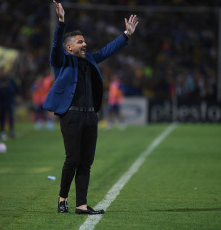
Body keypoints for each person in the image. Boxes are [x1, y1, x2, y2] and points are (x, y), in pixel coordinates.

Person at [43, 0, 138, 215]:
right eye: (79, 42)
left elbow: (107, 50)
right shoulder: (62, 61)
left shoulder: (91, 59)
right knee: (72, 160)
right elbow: (56, 46)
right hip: (72, 117)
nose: (84, 44)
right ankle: (62, 198)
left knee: (86, 162)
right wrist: (61, 22)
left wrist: (126, 35)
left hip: (90, 118)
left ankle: (81, 205)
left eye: (84, 41)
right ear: (69, 47)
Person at [0, 67, 19, 140]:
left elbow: (17, 87)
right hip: (1, 101)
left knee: (10, 115)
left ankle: (11, 130)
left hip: (9, 100)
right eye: (2, 71)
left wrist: (17, 95)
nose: (3, 73)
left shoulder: (11, 79)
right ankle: (2, 131)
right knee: (1, 116)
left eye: (4, 71)